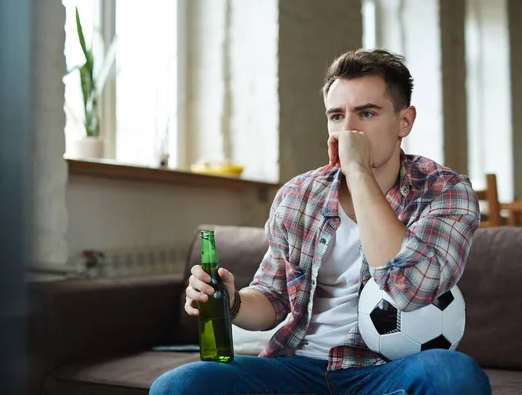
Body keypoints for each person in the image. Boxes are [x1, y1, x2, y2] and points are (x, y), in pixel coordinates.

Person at [150, 48, 491, 395]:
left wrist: (358, 171)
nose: (349, 131)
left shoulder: (444, 191)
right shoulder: (299, 194)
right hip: (297, 366)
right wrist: (231, 301)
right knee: (179, 385)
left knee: (453, 376)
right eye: (337, 117)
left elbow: (409, 286)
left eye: (367, 113)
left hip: (384, 372)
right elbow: (273, 298)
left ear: (405, 121)